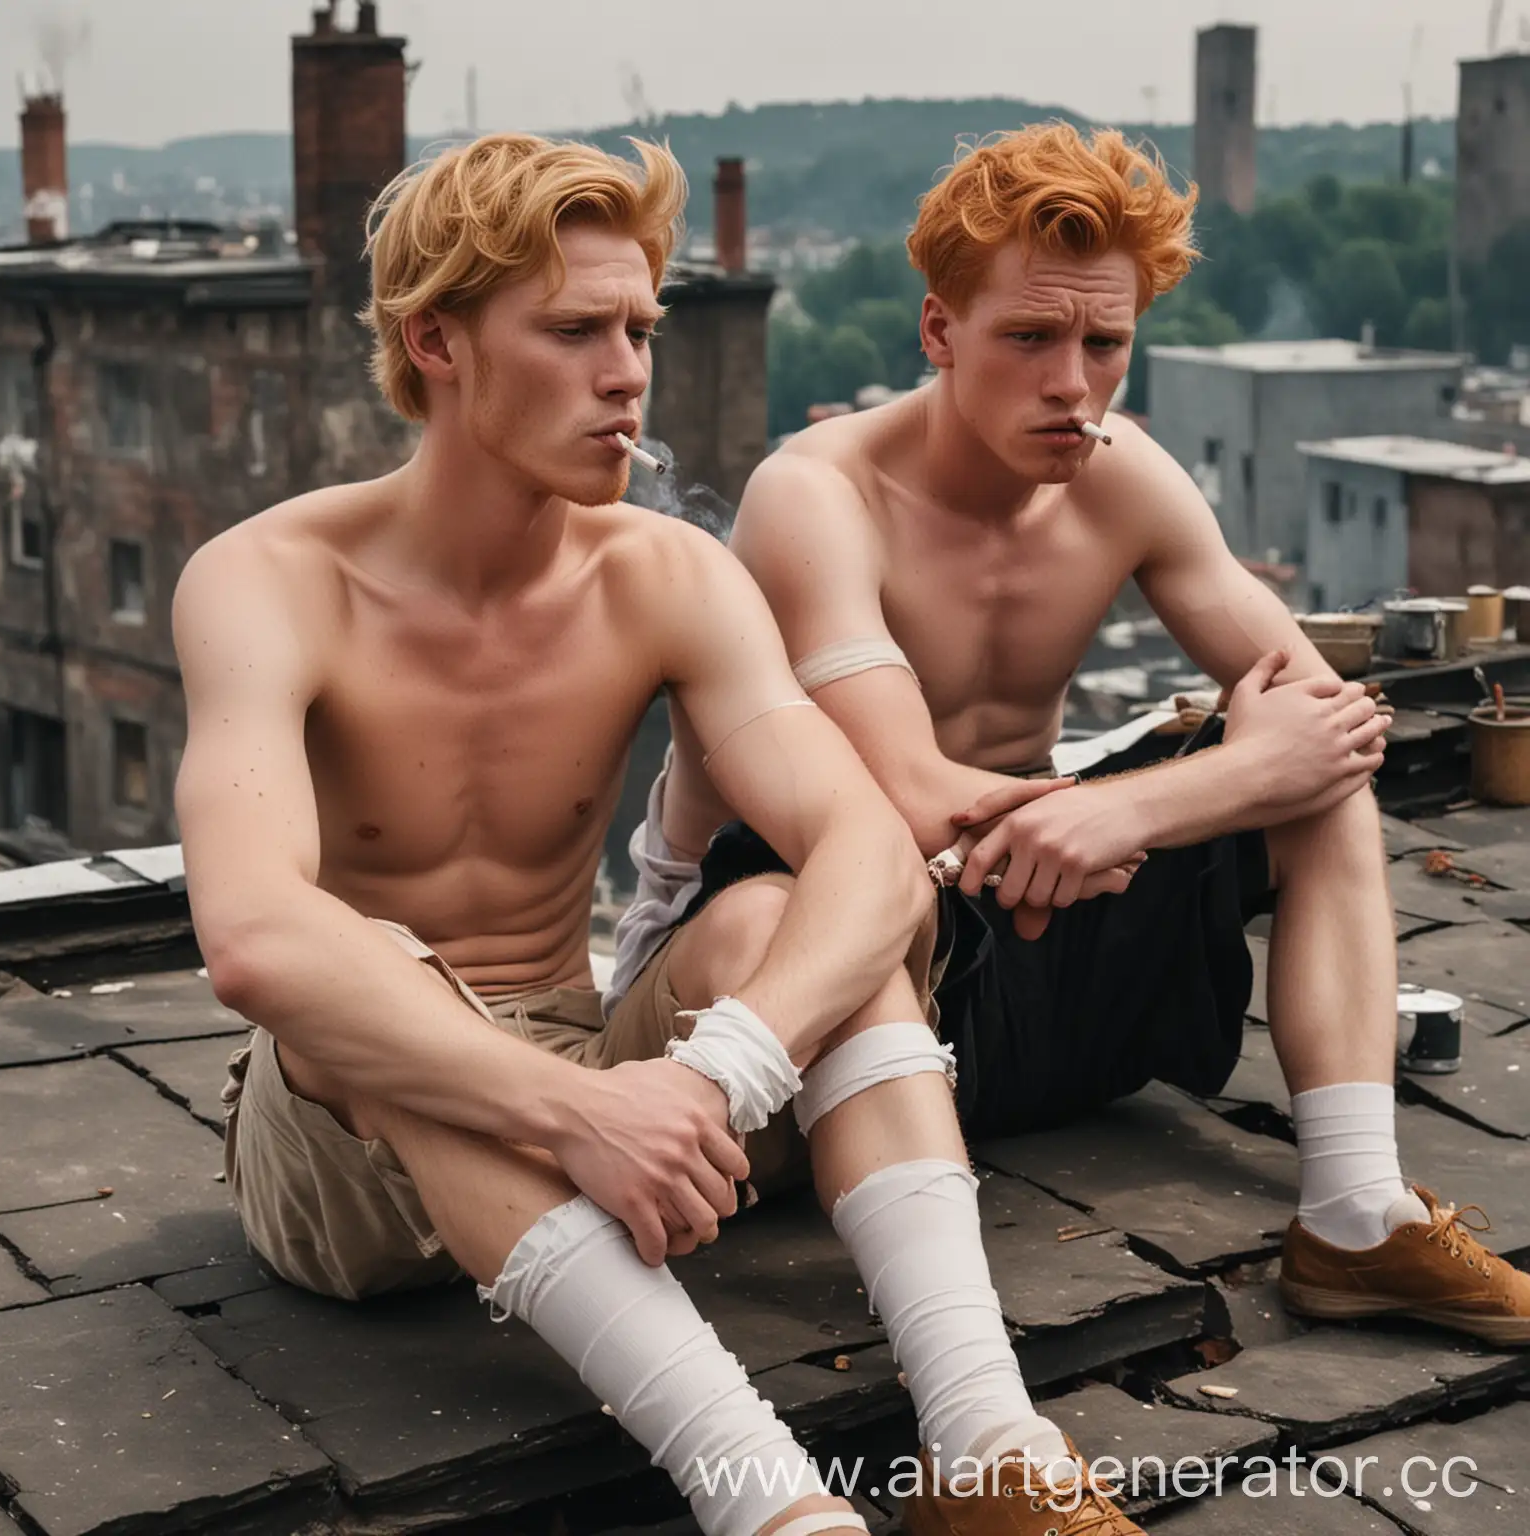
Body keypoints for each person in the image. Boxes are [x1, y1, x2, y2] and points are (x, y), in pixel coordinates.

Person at [175, 132, 1128, 1536]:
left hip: (619, 1101)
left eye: (639, 328)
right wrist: (583, 1112)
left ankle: (988, 1444)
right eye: (573, 330)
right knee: (355, 966)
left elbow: (872, 850)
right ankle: (770, 1506)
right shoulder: (269, 581)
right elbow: (254, 941)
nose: (628, 373)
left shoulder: (667, 572)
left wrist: (707, 1081)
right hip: (349, 1156)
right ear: (436, 340)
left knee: (800, 909)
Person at [614, 123, 1530, 1367]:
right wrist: (1194, 782)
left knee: (1318, 789)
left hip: (1047, 932)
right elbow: (910, 805)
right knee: (870, 878)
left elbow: (1325, 722)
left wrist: (1132, 808)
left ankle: (1357, 1215)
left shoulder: (1127, 479)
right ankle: (975, 1407)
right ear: (939, 334)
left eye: (1106, 343)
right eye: (1030, 339)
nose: (1072, 384)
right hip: (864, 975)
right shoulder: (820, 493)